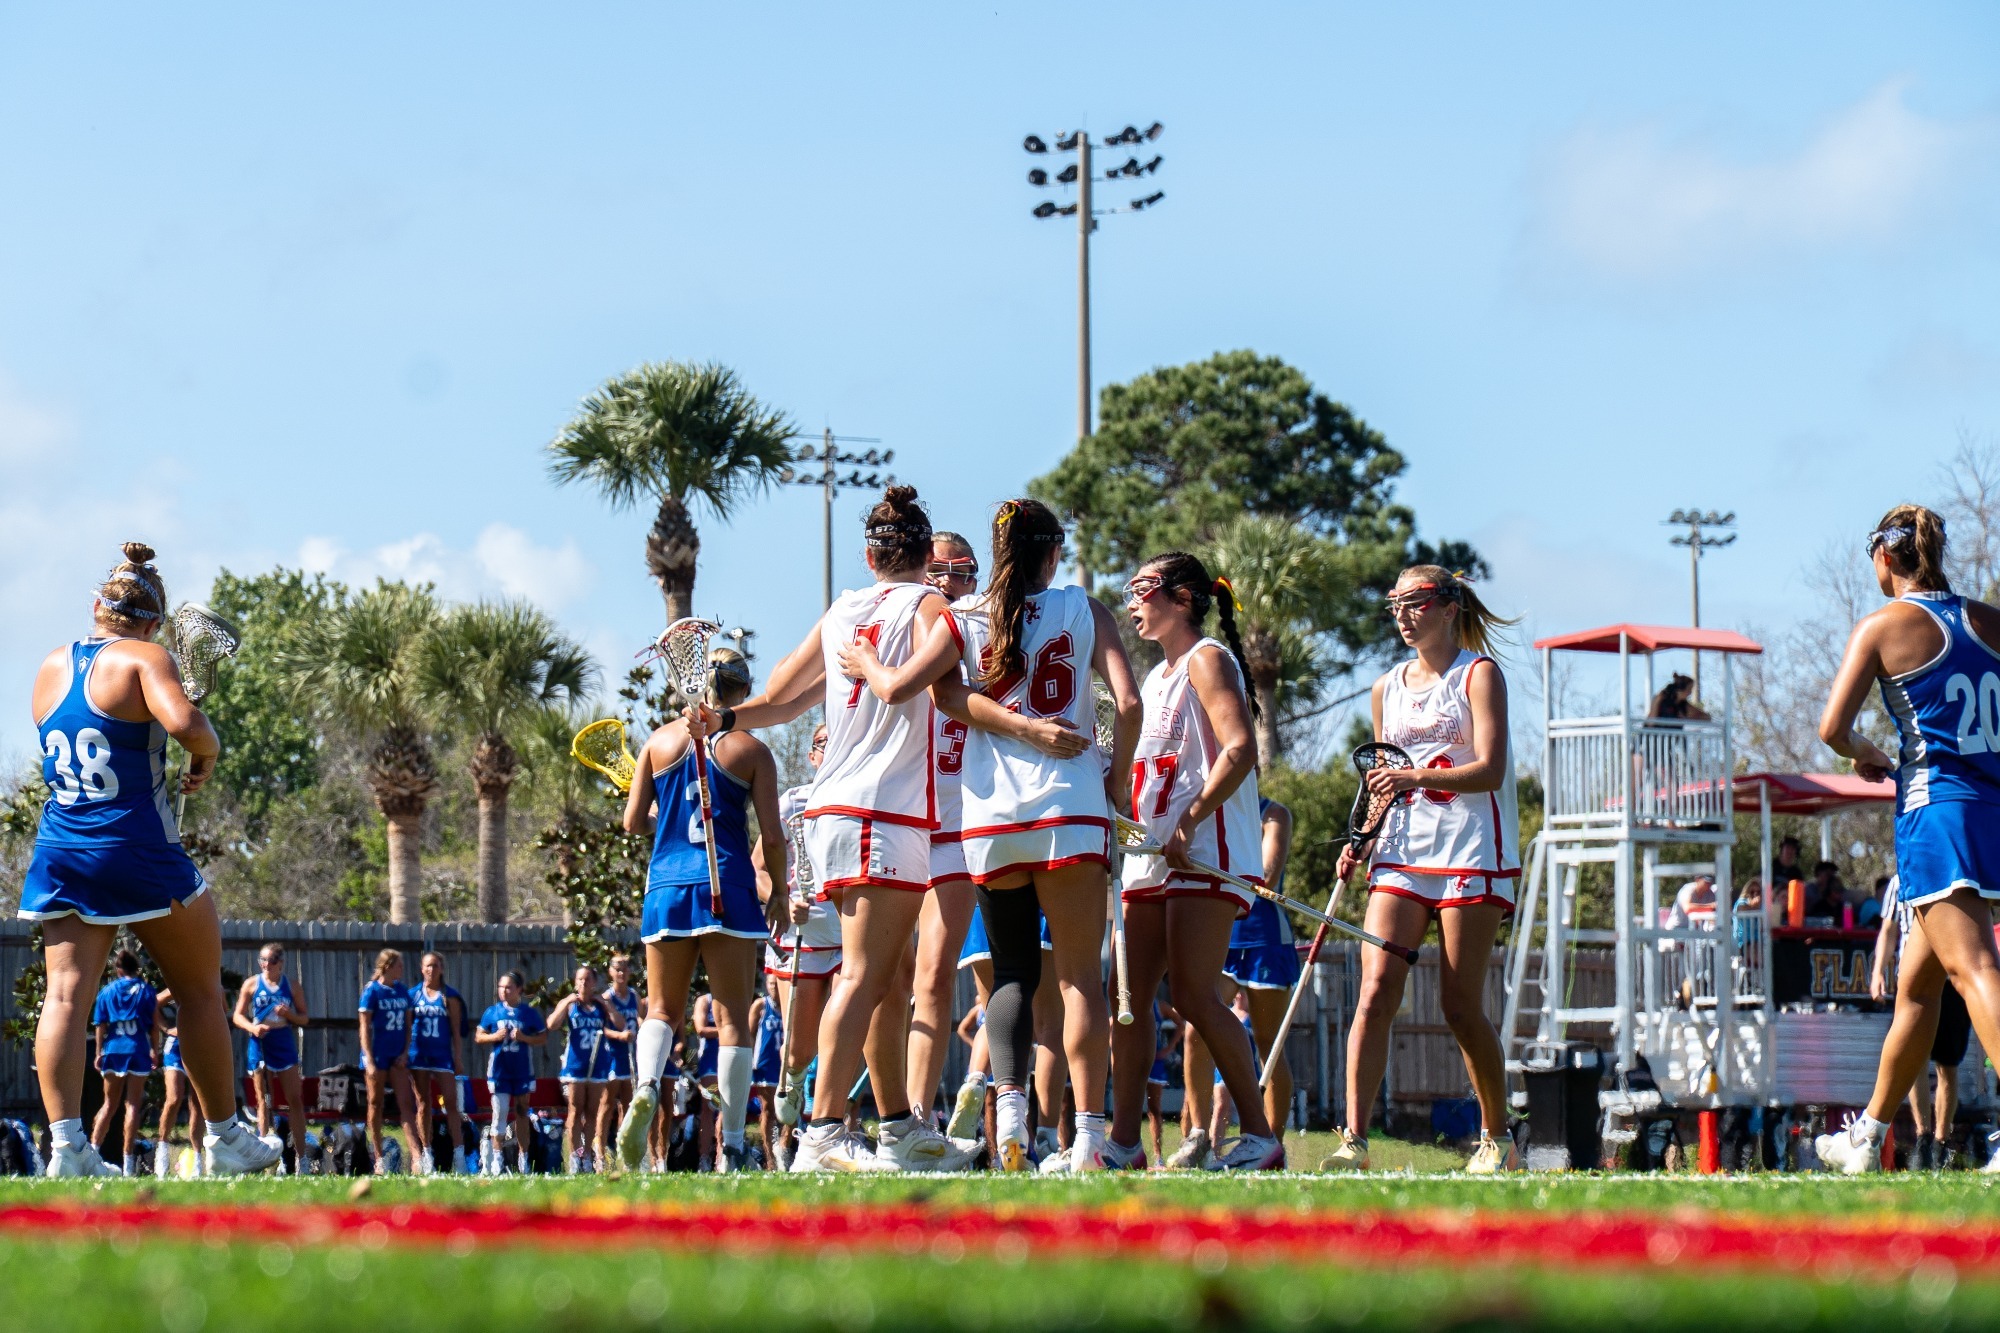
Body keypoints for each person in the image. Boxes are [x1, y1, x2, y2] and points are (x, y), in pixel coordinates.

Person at [842, 498, 1142, 1171]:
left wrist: (865, 663)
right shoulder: (1083, 609)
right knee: (1077, 982)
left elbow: (940, 695)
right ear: (1053, 552)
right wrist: (1115, 780)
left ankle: (1012, 1121)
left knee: (1009, 974)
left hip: (991, 818)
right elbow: (1127, 703)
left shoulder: (964, 615)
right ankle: (1088, 1139)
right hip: (1071, 808)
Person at [706, 484, 970, 1173]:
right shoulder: (930, 606)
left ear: (869, 554)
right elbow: (919, 685)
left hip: (833, 811)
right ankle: (822, 1128)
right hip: (881, 810)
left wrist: (724, 719)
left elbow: (777, 699)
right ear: (925, 553)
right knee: (863, 974)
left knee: (887, 975)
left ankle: (898, 1126)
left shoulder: (842, 610)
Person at [21, 543, 278, 1177]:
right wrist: (207, 753)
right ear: (154, 623)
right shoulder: (146, 656)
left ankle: (67, 1150)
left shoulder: (53, 664)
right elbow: (187, 722)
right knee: (198, 992)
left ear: (97, 607)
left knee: (62, 999)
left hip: (61, 847)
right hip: (134, 848)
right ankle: (223, 1139)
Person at [1813, 506, 2000, 1174]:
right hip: (1990, 810)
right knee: (1916, 992)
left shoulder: (1883, 626)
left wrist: (1862, 749)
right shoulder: (1988, 620)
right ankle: (1867, 1134)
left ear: (1885, 557)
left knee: (1974, 969)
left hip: (1936, 814)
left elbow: (1833, 726)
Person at [1328, 565, 1522, 1175]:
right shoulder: (1387, 687)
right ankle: (1353, 1141)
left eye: (1415, 603)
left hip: (1470, 849)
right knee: (1376, 989)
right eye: (1395, 604)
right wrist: (1361, 835)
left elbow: (1489, 770)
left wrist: (1414, 776)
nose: (1404, 615)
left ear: (1446, 606)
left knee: (1459, 1004)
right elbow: (1383, 772)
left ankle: (1498, 1137)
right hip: (1403, 851)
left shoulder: (1479, 675)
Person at [1108, 552, 1282, 1172]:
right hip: (1150, 855)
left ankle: (1261, 1136)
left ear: (1182, 598)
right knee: (1126, 995)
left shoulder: (1207, 659)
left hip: (1204, 851)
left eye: (1142, 589)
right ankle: (1122, 1145)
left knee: (1192, 992)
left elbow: (1238, 750)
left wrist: (1189, 819)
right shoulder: (1156, 677)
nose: (1132, 601)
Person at [615, 647, 786, 1175]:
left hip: (667, 885)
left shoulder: (658, 741)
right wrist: (777, 888)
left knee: (662, 1010)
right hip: (729, 884)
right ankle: (732, 1144)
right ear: (741, 690)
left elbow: (633, 823)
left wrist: (662, 812)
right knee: (734, 1016)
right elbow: (772, 836)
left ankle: (646, 1085)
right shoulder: (750, 749)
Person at [756, 725, 842, 1155]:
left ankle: (832, 1131)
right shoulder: (793, 801)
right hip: (802, 937)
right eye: (824, 743)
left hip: (850, 936)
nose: (832, 750)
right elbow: (758, 868)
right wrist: (782, 898)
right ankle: (792, 1086)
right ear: (811, 755)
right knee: (800, 1050)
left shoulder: (861, 799)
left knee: (844, 1036)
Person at [1871, 873, 1966, 1169]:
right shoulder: (1900, 882)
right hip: (1913, 977)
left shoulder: (1953, 874)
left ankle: (1941, 1140)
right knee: (1915, 1058)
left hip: (1950, 974)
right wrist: (1877, 972)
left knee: (1948, 1062)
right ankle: (1923, 1136)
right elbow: (1888, 930)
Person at [233, 941, 309, 1171]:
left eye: (271, 961)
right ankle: (264, 1157)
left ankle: (301, 1157)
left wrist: (290, 1015)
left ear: (281, 963)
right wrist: (252, 1028)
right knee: (263, 1100)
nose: (266, 965)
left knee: (294, 1098)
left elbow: (304, 1018)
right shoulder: (252, 984)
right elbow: (237, 1015)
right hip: (260, 1041)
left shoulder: (291, 986)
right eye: (262, 960)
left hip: (282, 1040)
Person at [88, 949, 156, 1176]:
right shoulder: (146, 991)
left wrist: (99, 1052)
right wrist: (155, 1050)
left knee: (108, 1104)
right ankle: (128, 1163)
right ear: (136, 969)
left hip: (113, 1049)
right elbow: (153, 1025)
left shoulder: (106, 991)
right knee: (133, 1105)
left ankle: (93, 1154)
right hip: (137, 1049)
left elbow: (100, 1025)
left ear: (118, 970)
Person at [548, 963, 622, 1174]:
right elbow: (552, 1024)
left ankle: (587, 1157)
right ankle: (573, 1157)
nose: (583, 983)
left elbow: (620, 1024)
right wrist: (565, 1003)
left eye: (587, 979)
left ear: (594, 983)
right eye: (580, 979)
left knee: (592, 1112)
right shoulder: (571, 1005)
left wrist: (607, 1005)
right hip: (576, 1065)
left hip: (598, 1064)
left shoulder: (600, 1006)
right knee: (575, 1109)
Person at [358, 948, 424, 1174]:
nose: (402, 970)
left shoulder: (402, 991)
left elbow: (408, 1025)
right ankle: (378, 1156)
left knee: (406, 1103)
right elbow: (364, 1027)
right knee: (375, 1103)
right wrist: (368, 1059)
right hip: (377, 1055)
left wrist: (405, 1052)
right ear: (388, 966)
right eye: (399, 965)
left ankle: (416, 1155)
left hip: (397, 1056)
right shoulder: (372, 991)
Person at [476, 971, 547, 1175]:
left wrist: (524, 1037)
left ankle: (523, 1160)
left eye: (508, 987)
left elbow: (542, 1037)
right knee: (499, 1114)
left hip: (522, 1071)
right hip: (499, 1071)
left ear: (519, 990)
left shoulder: (528, 1013)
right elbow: (479, 1036)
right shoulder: (492, 1012)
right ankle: (497, 1161)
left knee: (523, 1112)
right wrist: (494, 1037)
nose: (504, 991)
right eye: (501, 987)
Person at [408, 951, 468, 1174]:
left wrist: (458, 1057)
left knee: (451, 1103)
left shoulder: (449, 996)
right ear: (422, 969)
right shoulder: (413, 995)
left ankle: (459, 1155)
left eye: (435, 965)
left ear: (441, 968)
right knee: (423, 1103)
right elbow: (406, 1026)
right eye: (427, 966)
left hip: (442, 1055)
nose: (431, 970)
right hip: (419, 1054)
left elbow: (455, 1031)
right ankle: (427, 1153)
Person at [595, 953, 641, 1168]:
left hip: (630, 1055)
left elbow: (638, 1019)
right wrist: (619, 1036)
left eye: (625, 968)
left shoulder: (634, 996)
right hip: (611, 1055)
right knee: (607, 1104)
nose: (621, 972)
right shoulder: (606, 998)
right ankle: (600, 1153)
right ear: (610, 972)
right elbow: (600, 1028)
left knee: (628, 1105)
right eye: (617, 968)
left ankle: (623, 1150)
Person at [153, 988, 196, 1177]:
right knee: (174, 1098)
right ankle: (161, 1151)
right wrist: (165, 1027)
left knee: (197, 1104)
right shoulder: (176, 986)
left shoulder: (209, 983)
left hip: (198, 1045)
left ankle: (198, 1157)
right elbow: (153, 1004)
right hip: (176, 1047)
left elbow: (222, 1008)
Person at [748, 986, 785, 1168]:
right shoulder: (761, 1005)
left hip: (784, 1064)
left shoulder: (789, 1002)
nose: (774, 988)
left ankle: (783, 1149)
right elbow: (750, 1033)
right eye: (771, 984)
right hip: (765, 1063)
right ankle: (770, 1157)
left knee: (792, 1111)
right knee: (768, 1110)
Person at [1646, 673, 1710, 722]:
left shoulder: (1683, 704)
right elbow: (1650, 722)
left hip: (1676, 737)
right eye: (1689, 689)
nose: (1690, 693)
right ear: (1681, 689)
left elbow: (1706, 717)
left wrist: (1687, 718)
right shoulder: (1661, 698)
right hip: (1659, 736)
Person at [1803, 861, 1846, 926]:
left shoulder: (1839, 900)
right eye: (1828, 875)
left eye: (1833, 875)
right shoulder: (1808, 890)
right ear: (1818, 874)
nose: (1831, 878)